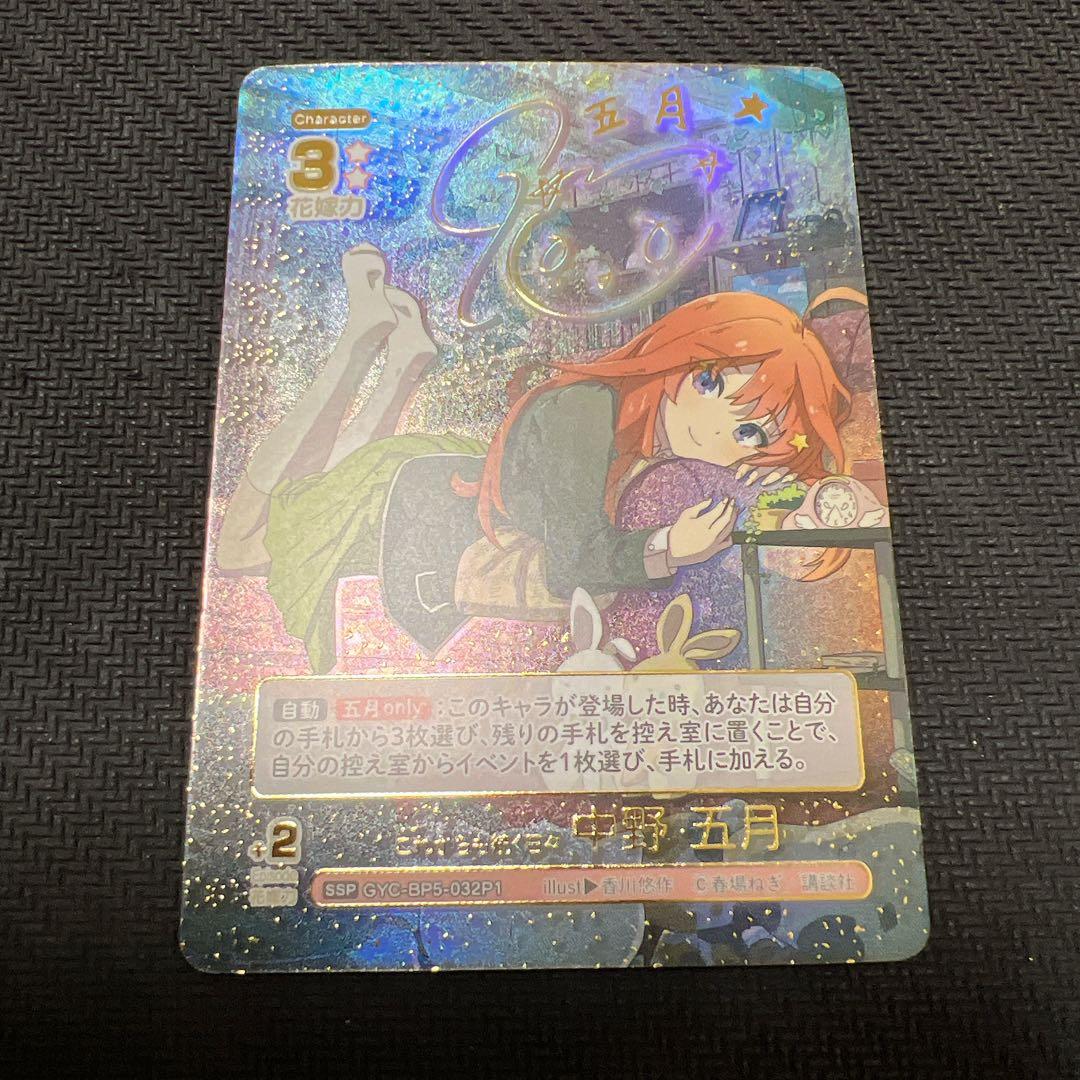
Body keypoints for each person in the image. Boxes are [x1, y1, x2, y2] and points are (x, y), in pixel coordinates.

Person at [217, 244, 854, 671]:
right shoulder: (587, 407)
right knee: (241, 545)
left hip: (459, 483)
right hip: (417, 512)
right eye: (715, 388)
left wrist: (773, 489)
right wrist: (669, 548)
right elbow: (572, 560)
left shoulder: (648, 430)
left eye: (754, 436)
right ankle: (358, 344)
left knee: (315, 489)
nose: (732, 443)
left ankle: (401, 361)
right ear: (690, 367)